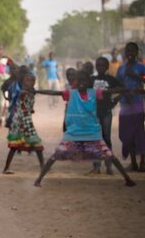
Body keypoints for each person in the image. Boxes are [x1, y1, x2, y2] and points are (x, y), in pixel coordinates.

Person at [34, 70, 137, 187]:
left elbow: (111, 91)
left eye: (84, 80)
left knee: (111, 156)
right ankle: (39, 179)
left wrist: (126, 90)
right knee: (54, 157)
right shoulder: (71, 93)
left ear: (89, 82)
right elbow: (54, 92)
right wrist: (36, 91)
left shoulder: (95, 93)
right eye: (79, 80)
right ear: (75, 82)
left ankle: (127, 179)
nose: (81, 82)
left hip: (91, 133)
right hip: (73, 133)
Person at [2, 73, 45, 174]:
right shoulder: (23, 92)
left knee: (32, 144)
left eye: (31, 81)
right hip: (20, 121)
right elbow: (23, 98)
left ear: (34, 83)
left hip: (26, 120)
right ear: (22, 82)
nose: (28, 83)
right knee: (18, 145)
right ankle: (42, 166)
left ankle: (6, 168)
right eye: (27, 80)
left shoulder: (30, 93)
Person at [116, 42, 145, 171]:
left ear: (137, 53)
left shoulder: (141, 67)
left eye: (132, 51)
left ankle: (143, 163)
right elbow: (118, 85)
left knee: (139, 134)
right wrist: (123, 93)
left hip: (138, 104)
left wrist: (136, 76)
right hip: (124, 105)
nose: (130, 53)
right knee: (125, 134)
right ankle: (133, 163)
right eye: (127, 51)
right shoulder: (121, 69)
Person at [90, 57, 122, 175]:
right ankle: (96, 166)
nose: (100, 67)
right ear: (95, 67)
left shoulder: (111, 79)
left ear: (107, 67)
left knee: (107, 138)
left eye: (103, 65)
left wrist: (114, 101)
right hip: (95, 113)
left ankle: (109, 165)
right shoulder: (92, 79)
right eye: (98, 65)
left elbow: (122, 88)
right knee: (95, 138)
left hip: (107, 112)